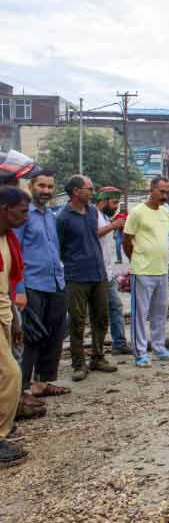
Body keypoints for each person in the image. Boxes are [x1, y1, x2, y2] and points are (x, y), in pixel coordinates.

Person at [13, 170, 68, 422]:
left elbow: (54, 249)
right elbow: (16, 254)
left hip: (55, 282)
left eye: (49, 186)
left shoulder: (50, 215)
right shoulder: (23, 216)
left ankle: (42, 383)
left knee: (54, 335)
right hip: (32, 284)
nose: (46, 190)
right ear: (31, 186)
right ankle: (23, 389)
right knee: (31, 338)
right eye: (41, 186)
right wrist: (20, 289)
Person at [57, 175, 116, 381]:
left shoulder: (92, 212)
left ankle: (98, 357)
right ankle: (78, 363)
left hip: (98, 273)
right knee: (77, 321)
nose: (93, 192)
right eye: (89, 189)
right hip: (76, 276)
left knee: (101, 317)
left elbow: (95, 237)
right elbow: (59, 247)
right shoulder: (63, 217)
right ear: (76, 191)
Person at [124, 178, 169, 367]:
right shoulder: (137, 212)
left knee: (160, 313)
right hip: (142, 271)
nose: (165, 196)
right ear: (151, 190)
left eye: (167, 192)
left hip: (162, 270)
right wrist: (136, 260)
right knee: (140, 313)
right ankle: (140, 353)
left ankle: (160, 348)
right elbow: (127, 240)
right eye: (161, 192)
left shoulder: (166, 212)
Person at [0, 187, 29, 467]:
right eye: (22, 212)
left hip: (5, 314)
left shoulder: (9, 241)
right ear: (5, 209)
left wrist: (16, 319)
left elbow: (8, 286)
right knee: (10, 374)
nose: (26, 217)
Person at [95, 187, 131, 356]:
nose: (116, 206)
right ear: (103, 200)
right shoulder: (93, 215)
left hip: (107, 272)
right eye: (114, 202)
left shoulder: (104, 217)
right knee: (93, 313)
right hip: (95, 272)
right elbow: (93, 234)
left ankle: (119, 343)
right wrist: (113, 226)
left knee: (115, 306)